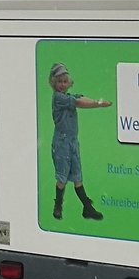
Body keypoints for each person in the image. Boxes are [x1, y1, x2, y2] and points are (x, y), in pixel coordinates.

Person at [48, 62, 111, 221]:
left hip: (72, 142)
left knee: (77, 177)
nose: (62, 84)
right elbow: (79, 103)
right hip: (61, 143)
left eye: (64, 81)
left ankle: (87, 208)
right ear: (54, 83)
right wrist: (98, 103)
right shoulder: (58, 98)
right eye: (59, 81)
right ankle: (58, 205)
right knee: (62, 178)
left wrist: (96, 100)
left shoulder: (69, 96)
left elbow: (80, 98)